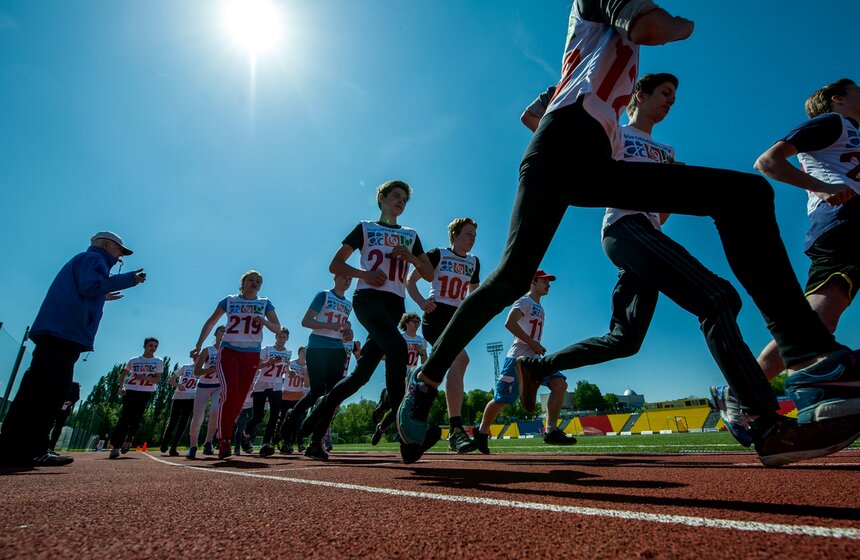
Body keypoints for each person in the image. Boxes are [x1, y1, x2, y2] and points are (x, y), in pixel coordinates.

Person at [397, 1, 860, 467]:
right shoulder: (598, 8)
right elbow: (651, 28)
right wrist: (682, 25)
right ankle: (425, 382)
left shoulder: (627, 95)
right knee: (512, 278)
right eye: (664, 94)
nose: (668, 101)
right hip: (559, 149)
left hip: (602, 163)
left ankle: (809, 363)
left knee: (746, 195)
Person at [710, 78, 860, 431]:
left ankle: (741, 389)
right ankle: (740, 391)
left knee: (817, 324)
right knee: (816, 324)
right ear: (837, 99)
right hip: (842, 227)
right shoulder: (832, 122)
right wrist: (824, 189)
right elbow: (767, 162)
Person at [300, 180, 435, 462]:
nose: (400, 202)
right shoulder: (365, 228)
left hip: (394, 305)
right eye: (395, 196)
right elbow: (335, 265)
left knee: (360, 377)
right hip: (368, 298)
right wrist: (365, 275)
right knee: (398, 349)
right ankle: (407, 438)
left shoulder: (410, 235)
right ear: (382, 199)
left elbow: (430, 274)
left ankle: (315, 431)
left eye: (404, 199)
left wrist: (410, 257)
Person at [0, 231, 144, 468]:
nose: (120, 257)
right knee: (50, 392)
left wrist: (102, 295)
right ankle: (31, 449)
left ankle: (13, 447)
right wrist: (130, 279)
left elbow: (84, 290)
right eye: (120, 250)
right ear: (107, 245)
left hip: (58, 332)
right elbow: (89, 286)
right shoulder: (93, 260)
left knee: (36, 391)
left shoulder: (84, 261)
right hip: (63, 333)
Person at [474, 270, 576, 453]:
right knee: (502, 399)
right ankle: (481, 432)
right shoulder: (524, 301)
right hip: (516, 359)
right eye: (545, 281)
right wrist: (531, 342)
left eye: (549, 282)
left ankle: (551, 430)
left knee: (559, 383)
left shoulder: (541, 308)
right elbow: (509, 323)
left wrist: (535, 346)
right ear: (533, 282)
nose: (549, 285)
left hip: (535, 359)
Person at [406, 217, 481, 453]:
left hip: (456, 320)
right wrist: (421, 302)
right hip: (436, 315)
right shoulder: (438, 254)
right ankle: (456, 430)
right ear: (455, 235)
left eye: (474, 235)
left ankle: (417, 378)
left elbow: (473, 295)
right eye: (468, 234)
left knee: (449, 365)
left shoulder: (474, 262)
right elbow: (411, 279)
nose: (472, 239)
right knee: (461, 359)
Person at [191, 270, 281, 459]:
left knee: (240, 399)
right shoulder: (230, 301)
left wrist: (264, 321)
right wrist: (198, 345)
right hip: (229, 351)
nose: (254, 282)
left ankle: (225, 430)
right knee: (229, 393)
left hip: (251, 354)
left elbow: (277, 327)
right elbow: (211, 321)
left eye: (258, 281)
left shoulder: (264, 303)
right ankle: (224, 440)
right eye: (251, 279)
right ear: (243, 283)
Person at [278, 274, 354, 453]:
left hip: (337, 349)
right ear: (336, 278)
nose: (347, 280)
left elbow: (342, 327)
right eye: (345, 277)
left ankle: (316, 442)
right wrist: (329, 325)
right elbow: (306, 321)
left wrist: (345, 330)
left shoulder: (349, 304)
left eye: (350, 279)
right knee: (316, 392)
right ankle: (292, 417)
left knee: (333, 396)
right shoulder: (324, 295)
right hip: (318, 346)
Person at [371, 312, 427, 445]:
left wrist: (421, 352)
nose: (417, 324)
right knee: (400, 405)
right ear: (406, 323)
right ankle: (386, 402)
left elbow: (425, 361)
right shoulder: (399, 338)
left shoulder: (421, 340)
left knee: (403, 407)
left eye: (418, 322)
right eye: (414, 322)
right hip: (398, 374)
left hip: (411, 376)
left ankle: (382, 426)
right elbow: (384, 356)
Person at [109, 337, 164, 458]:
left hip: (145, 392)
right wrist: (121, 387)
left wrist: (144, 378)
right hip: (131, 390)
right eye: (150, 345)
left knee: (136, 418)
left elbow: (157, 380)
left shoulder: (158, 361)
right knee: (124, 418)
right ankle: (115, 446)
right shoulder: (134, 360)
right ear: (144, 346)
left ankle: (129, 440)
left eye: (155, 346)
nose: (153, 348)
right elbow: (123, 374)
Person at [245, 328, 292, 457]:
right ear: (276, 337)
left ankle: (265, 444)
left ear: (287, 339)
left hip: (276, 385)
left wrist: (289, 372)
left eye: (284, 337)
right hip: (262, 383)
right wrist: (268, 362)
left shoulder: (288, 352)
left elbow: (286, 367)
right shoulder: (267, 349)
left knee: (275, 415)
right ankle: (246, 434)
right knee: (258, 416)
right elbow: (257, 365)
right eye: (279, 336)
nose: (281, 339)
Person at [187, 325, 224, 459]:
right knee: (198, 418)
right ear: (215, 333)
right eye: (221, 330)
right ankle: (193, 446)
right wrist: (211, 370)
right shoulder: (208, 350)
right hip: (203, 385)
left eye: (227, 330)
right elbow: (197, 371)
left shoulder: (229, 351)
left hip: (219, 386)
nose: (224, 332)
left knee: (215, 411)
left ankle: (209, 442)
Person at [160, 363, 197, 456]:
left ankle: (174, 447)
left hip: (191, 399)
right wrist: (178, 385)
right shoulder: (186, 367)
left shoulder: (202, 371)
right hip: (178, 398)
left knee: (183, 424)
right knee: (173, 421)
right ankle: (164, 443)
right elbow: (170, 380)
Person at [278, 346, 309, 454]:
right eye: (303, 351)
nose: (305, 354)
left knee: (298, 421)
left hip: (298, 396)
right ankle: (283, 441)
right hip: (286, 394)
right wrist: (290, 370)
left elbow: (307, 384)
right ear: (299, 352)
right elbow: (285, 370)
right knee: (283, 420)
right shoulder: (291, 363)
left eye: (306, 352)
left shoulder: (308, 367)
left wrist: (305, 373)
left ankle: (295, 443)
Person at [48, 382, 81, 452]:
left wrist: (68, 403)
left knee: (58, 427)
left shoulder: (75, 385)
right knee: (49, 424)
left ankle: (51, 447)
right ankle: (44, 444)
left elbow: (76, 397)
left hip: (64, 409)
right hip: (53, 406)